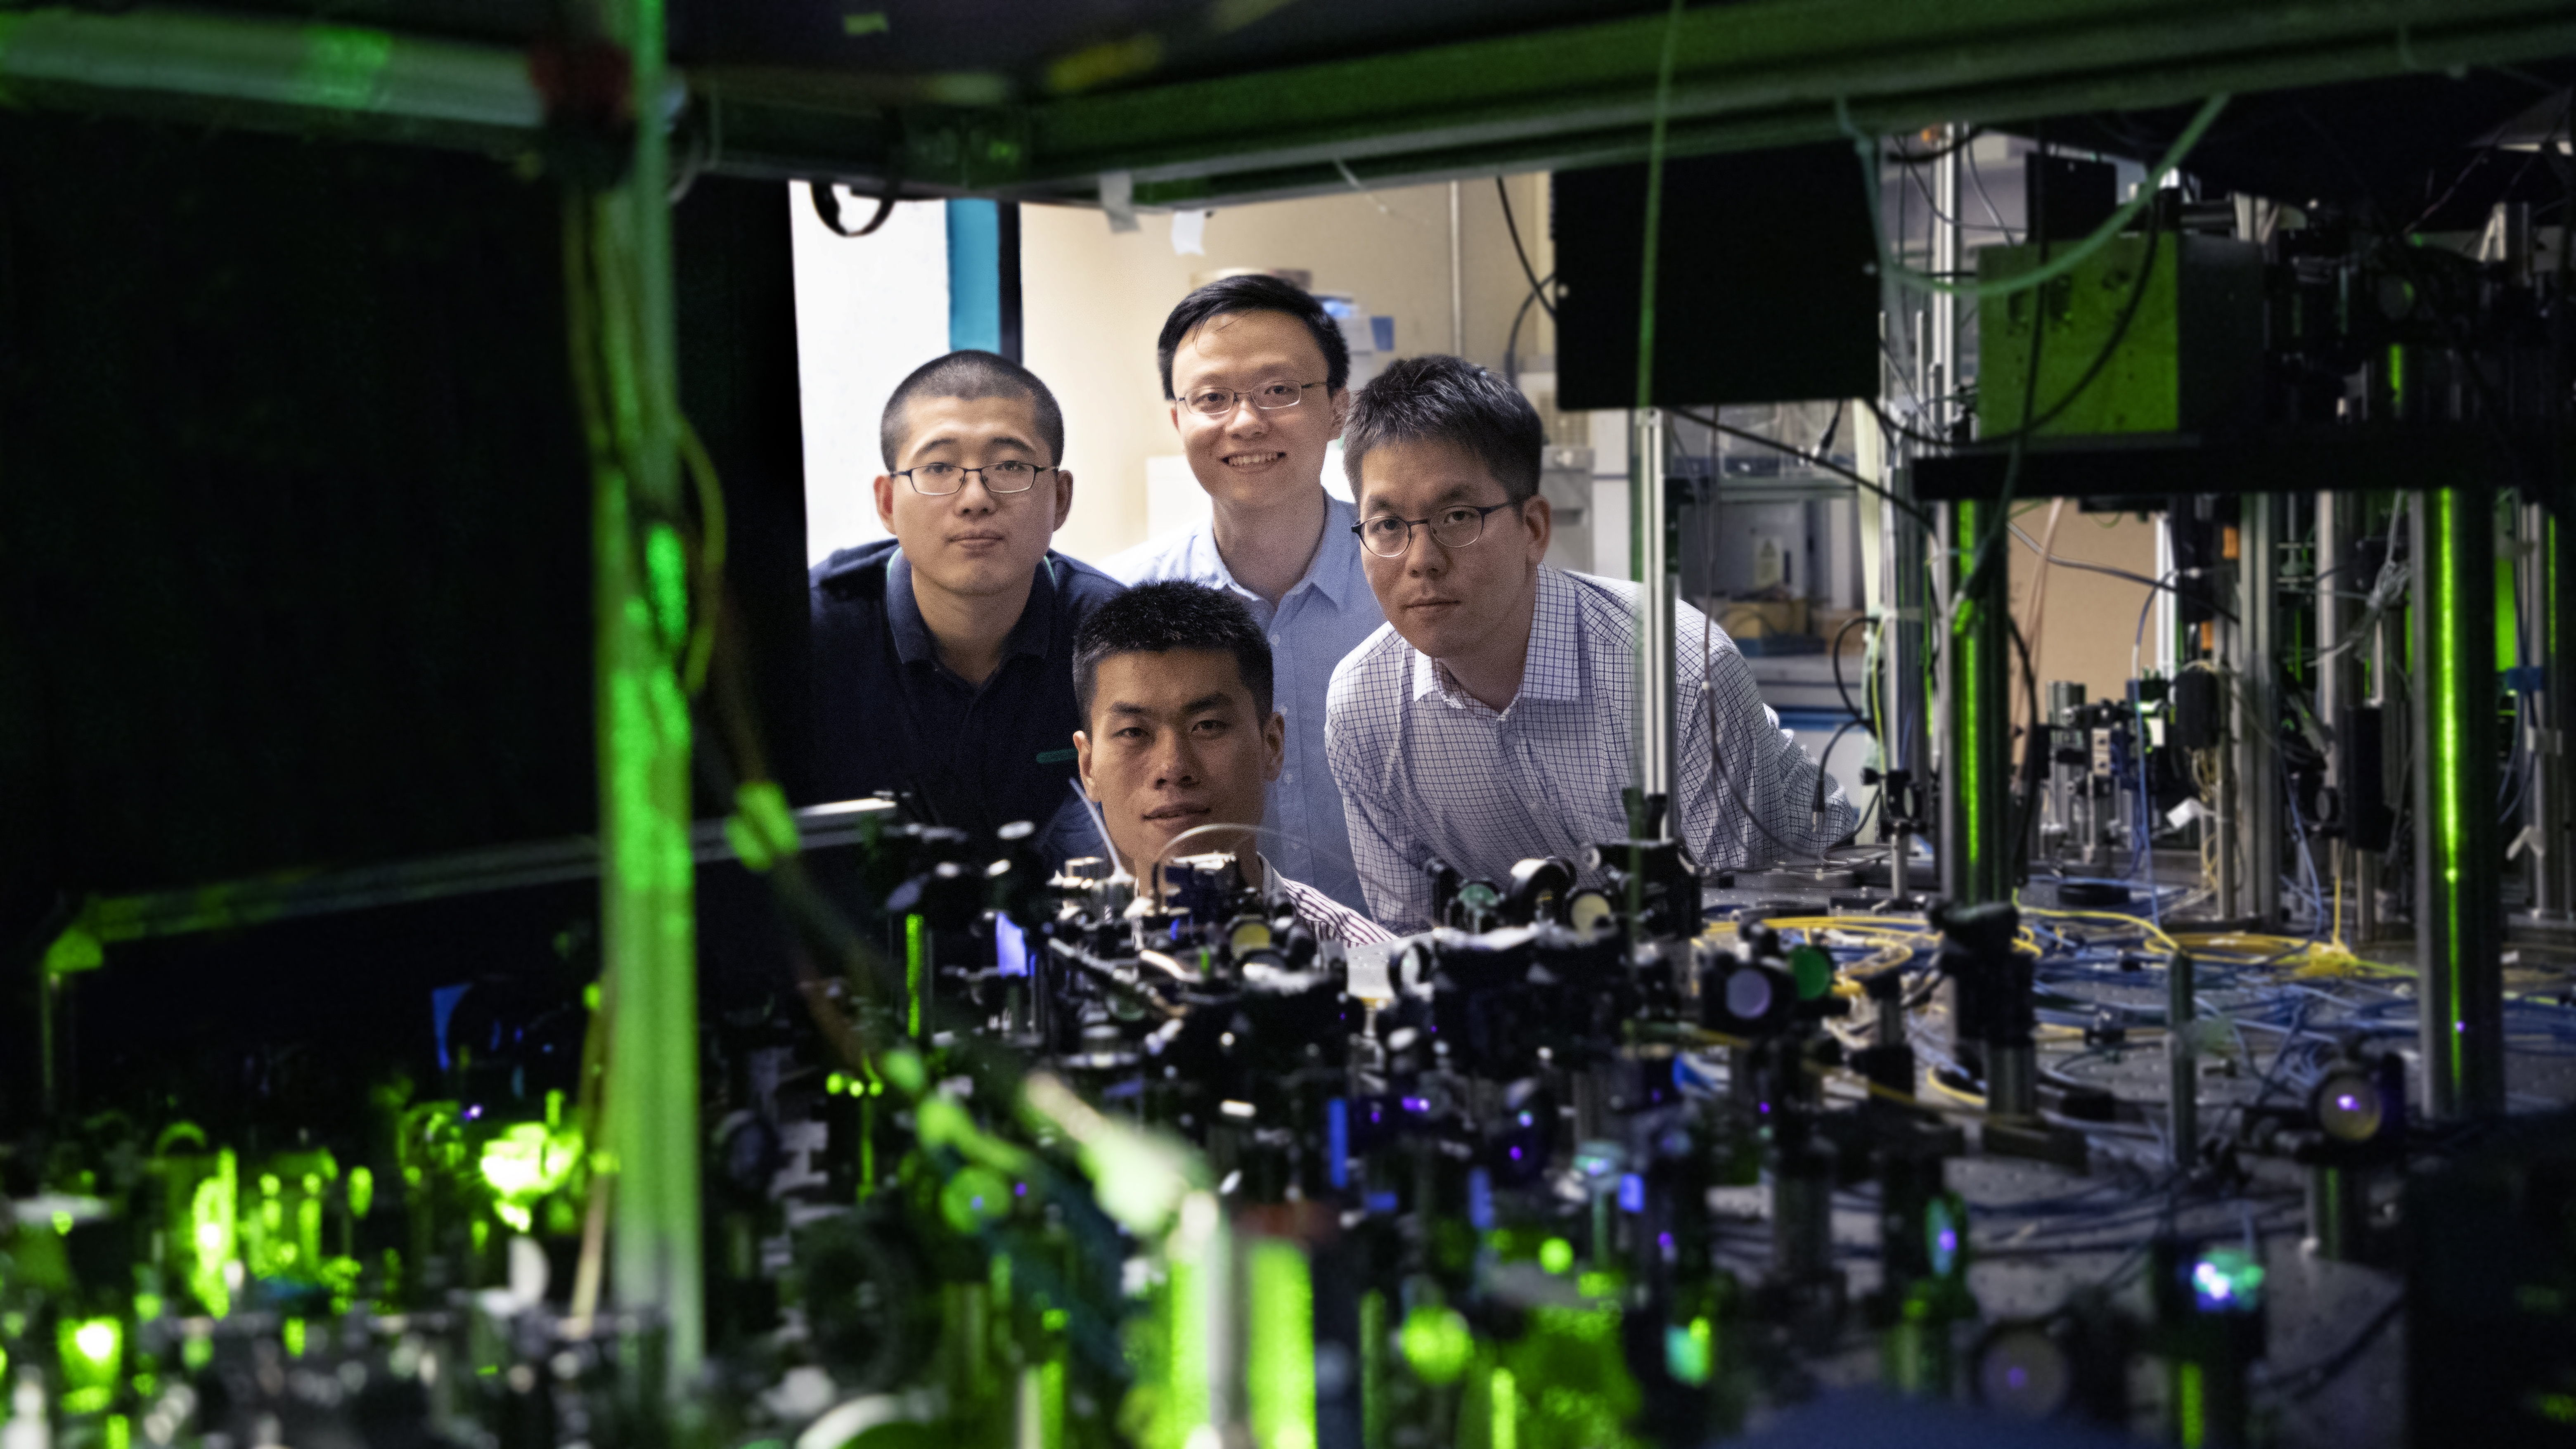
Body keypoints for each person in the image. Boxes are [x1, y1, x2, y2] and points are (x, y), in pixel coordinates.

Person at [1325, 355, 1856, 931]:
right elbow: (1414, 939)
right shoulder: (1364, 708)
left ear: (1533, 529)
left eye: (1457, 516)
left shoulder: (1677, 671)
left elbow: (1725, 932)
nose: (1422, 561)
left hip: (1822, 922)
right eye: (1387, 526)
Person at [1104, 275, 1386, 913]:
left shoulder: (1410, 585)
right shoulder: (1121, 604)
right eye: (1213, 398)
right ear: (1178, 419)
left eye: (1279, 391)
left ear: (1340, 407)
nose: (1247, 422)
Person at [810, 350, 1122, 863]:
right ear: (888, 503)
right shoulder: (811, 637)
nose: (975, 498)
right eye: (938, 467)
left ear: (1061, 498)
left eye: (1010, 466)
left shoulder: (1115, 637)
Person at [1072, 580, 1390, 948]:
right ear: (1089, 765)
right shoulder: (1050, 969)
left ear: (1271, 745)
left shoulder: (1366, 967)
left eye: (1207, 726)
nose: (1173, 767)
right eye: (1133, 733)